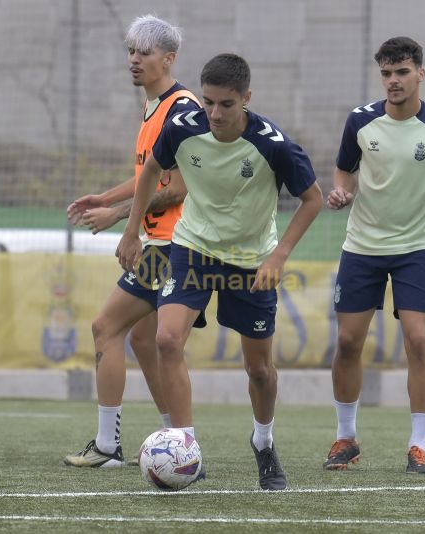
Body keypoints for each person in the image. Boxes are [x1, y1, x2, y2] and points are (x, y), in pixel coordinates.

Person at [116, 53, 323, 490]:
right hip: (192, 248)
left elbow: (313, 199)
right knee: (166, 339)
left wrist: (279, 255)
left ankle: (263, 443)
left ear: (246, 99)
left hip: (251, 262)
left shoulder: (274, 145)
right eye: (208, 102)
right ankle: (186, 450)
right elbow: (152, 168)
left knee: (259, 371)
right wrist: (131, 232)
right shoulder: (184, 127)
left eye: (225, 104)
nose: (213, 113)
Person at [323, 36, 425, 475]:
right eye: (387, 74)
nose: (393, 81)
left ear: (420, 74)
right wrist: (342, 190)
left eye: (402, 72)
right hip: (362, 247)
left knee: (418, 340)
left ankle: (419, 445)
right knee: (349, 342)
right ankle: (346, 437)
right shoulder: (360, 121)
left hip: (417, 247)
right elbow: (344, 168)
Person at [63, 15, 203, 468]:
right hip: (167, 244)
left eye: (144, 52)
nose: (134, 59)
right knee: (145, 342)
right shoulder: (153, 108)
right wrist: (106, 196)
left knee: (106, 327)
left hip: (174, 246)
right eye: (131, 51)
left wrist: (123, 221)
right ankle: (180, 444)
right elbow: (150, 176)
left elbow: (179, 188)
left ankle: (109, 446)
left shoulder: (181, 108)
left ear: (169, 58)